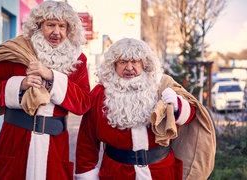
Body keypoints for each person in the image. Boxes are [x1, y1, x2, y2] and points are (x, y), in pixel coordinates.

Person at [0, 1, 91, 179]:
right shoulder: (16, 51)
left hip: (55, 146)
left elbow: (84, 103)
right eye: (51, 25)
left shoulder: (78, 60)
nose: (57, 32)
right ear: (39, 26)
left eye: (62, 26)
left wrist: (52, 77)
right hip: (16, 140)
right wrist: (20, 84)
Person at [75, 38, 216, 180]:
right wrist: (86, 174)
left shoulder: (161, 85)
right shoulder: (99, 93)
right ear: (113, 64)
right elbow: (86, 141)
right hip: (116, 173)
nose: (129, 68)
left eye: (135, 61)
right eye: (123, 62)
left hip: (161, 171)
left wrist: (177, 105)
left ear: (144, 63)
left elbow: (191, 116)